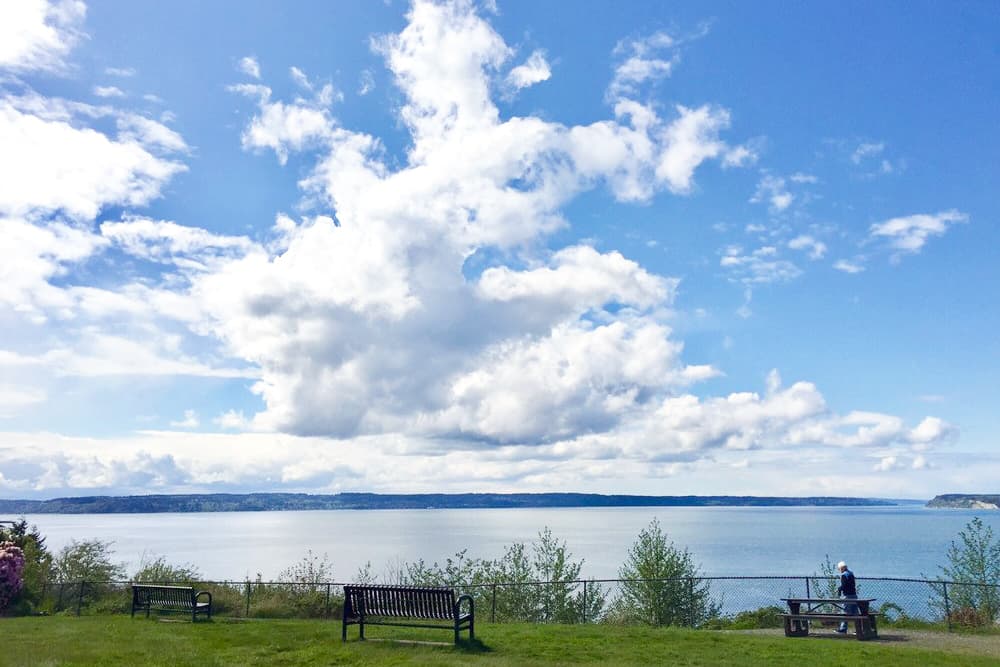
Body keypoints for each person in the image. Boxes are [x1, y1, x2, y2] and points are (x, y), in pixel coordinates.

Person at [835, 560, 858, 633]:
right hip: (854, 595)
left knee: (845, 612)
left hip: (847, 595)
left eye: (839, 569)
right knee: (855, 612)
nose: (840, 570)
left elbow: (844, 585)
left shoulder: (844, 575)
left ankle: (843, 629)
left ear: (841, 568)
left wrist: (839, 589)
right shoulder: (851, 573)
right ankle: (859, 628)